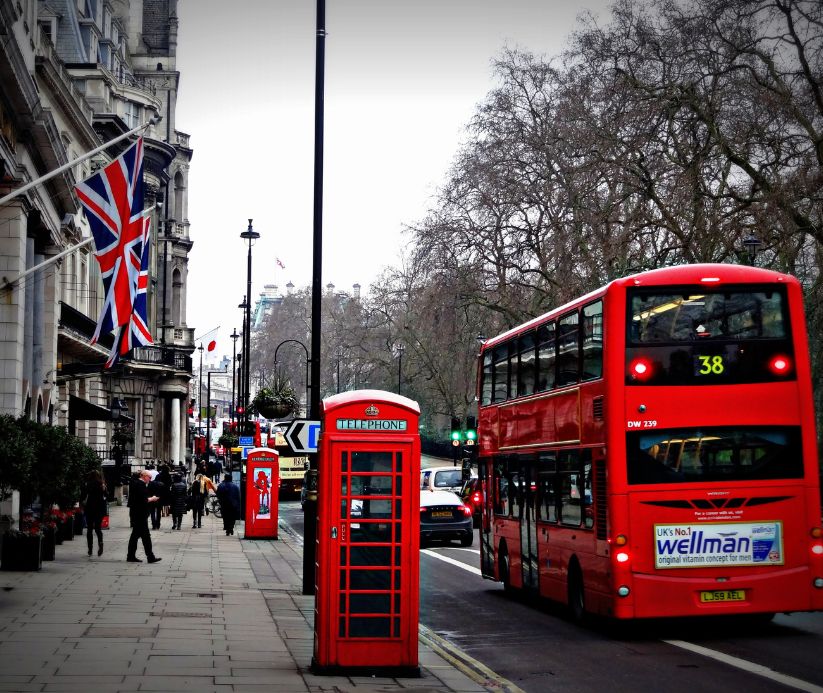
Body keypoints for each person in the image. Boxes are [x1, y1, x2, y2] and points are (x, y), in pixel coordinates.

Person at [126, 469, 161, 563]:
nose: (150, 479)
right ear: (144, 476)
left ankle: (138, 556)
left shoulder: (135, 483)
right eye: (149, 477)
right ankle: (148, 557)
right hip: (140, 514)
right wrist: (152, 498)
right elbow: (143, 500)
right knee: (142, 536)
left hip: (137, 513)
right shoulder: (140, 485)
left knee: (140, 536)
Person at [82, 469, 108, 557]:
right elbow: (106, 495)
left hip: (90, 507)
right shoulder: (102, 484)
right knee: (98, 528)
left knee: (89, 529)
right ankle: (100, 543)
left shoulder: (88, 484)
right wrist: (104, 489)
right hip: (99, 508)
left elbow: (83, 495)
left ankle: (90, 549)